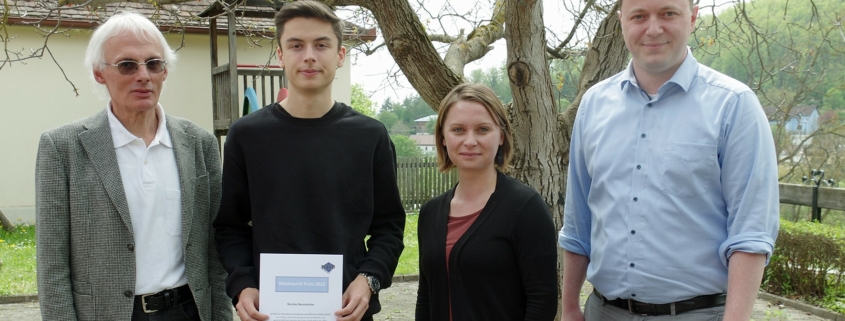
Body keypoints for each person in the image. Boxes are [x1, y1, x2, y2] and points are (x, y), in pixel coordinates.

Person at [559, 0, 780, 319]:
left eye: (668, 13)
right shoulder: (593, 105)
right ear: (622, 21)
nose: (653, 28)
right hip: (602, 312)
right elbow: (579, 220)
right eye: (639, 16)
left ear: (692, 17)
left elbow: (751, 231)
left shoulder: (733, 106)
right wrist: (568, 308)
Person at [212, 2, 406, 321]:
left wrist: (369, 279)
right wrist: (243, 285)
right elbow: (230, 227)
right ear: (280, 55)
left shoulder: (370, 136)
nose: (309, 55)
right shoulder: (247, 135)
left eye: (321, 44)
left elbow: (389, 227)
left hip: (347, 311)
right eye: (296, 45)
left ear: (341, 55)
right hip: (270, 312)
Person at [35, 11, 231, 321]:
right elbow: (52, 264)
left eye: (153, 64)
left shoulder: (199, 144)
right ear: (100, 73)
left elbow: (214, 250)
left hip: (187, 311)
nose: (143, 75)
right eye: (127, 65)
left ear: (164, 72)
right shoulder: (63, 148)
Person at [415, 83, 559, 321]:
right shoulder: (430, 213)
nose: (470, 141)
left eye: (482, 129)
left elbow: (542, 301)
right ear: (442, 137)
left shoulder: (526, 208)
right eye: (458, 130)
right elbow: (426, 296)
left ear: (501, 136)